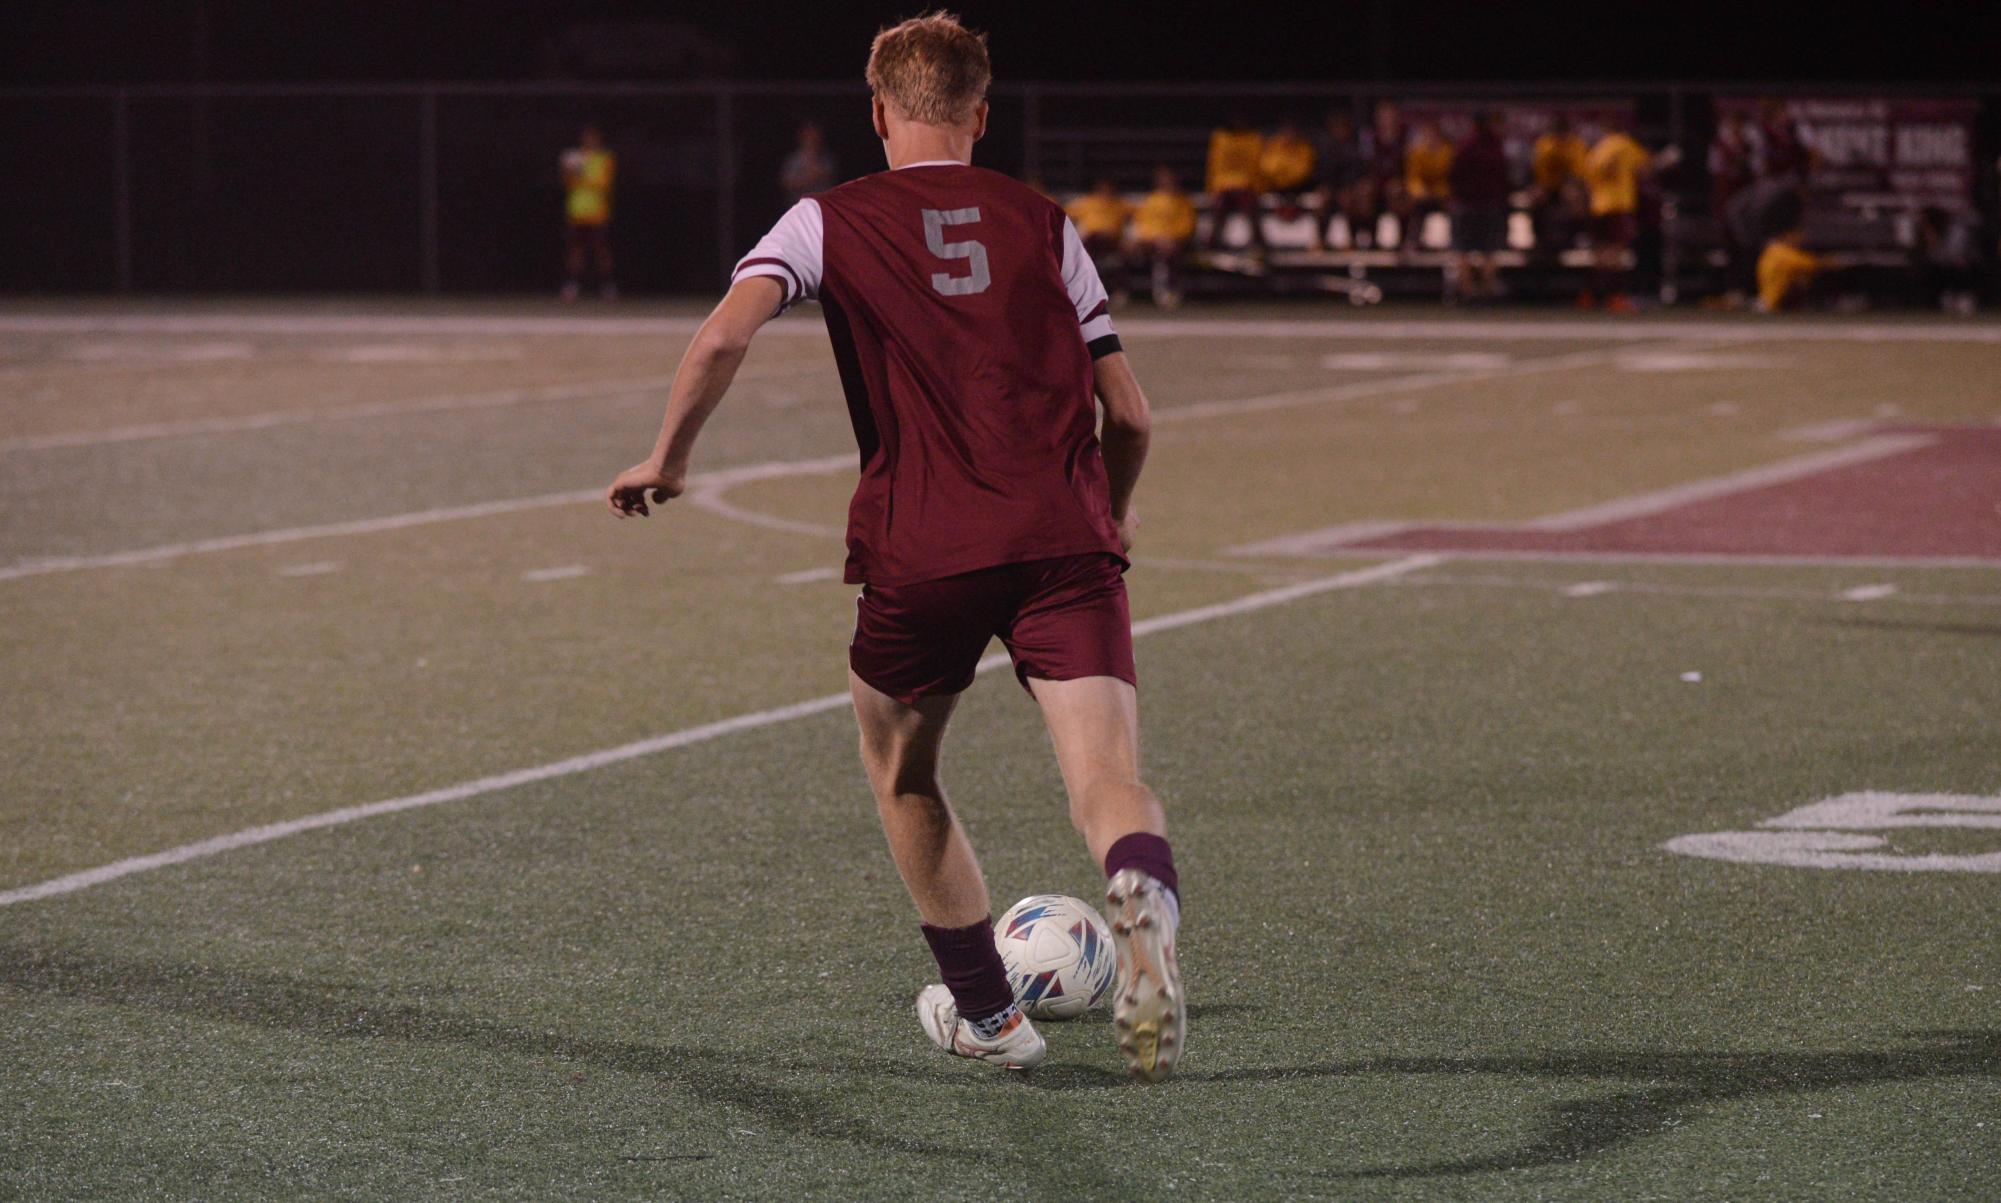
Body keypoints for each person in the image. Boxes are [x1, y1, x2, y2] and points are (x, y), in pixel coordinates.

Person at [604, 12, 1184, 1082]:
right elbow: (1133, 416)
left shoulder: (826, 219)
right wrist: (1119, 511)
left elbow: (727, 331)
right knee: (1106, 778)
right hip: (1063, 537)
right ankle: (1144, 891)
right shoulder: (1044, 220)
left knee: (902, 768)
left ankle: (987, 1017)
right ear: (981, 114)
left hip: (924, 544)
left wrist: (668, 458)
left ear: (876, 114)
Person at [1581, 114, 1652, 311]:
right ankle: (1616, 296)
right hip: (1619, 205)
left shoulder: (1598, 149)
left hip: (1598, 206)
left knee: (1600, 254)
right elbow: (1646, 167)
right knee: (1617, 254)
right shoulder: (1625, 144)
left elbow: (1587, 180)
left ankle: (1591, 295)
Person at [1449, 110, 1512, 302]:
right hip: (1489, 204)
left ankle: (1468, 292)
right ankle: (1486, 292)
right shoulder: (1495, 145)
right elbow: (1504, 175)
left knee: (1463, 249)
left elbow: (1454, 173)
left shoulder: (1466, 145)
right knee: (1489, 251)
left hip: (1467, 204)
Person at [560, 124, 617, 301]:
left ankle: (607, 285)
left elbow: (604, 183)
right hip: (577, 212)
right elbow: (567, 182)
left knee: (601, 251)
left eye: (593, 137)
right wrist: (568, 171)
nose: (590, 141)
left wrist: (581, 174)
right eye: (587, 137)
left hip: (598, 213)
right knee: (576, 251)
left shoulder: (605, 158)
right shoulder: (573, 157)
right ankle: (572, 285)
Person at [1132, 165, 1198, 306]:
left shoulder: (1183, 201)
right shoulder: (1150, 201)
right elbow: (1142, 224)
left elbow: (1187, 226)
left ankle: (1170, 290)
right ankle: (1122, 291)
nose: (1166, 181)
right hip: (1153, 242)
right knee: (1130, 248)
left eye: (1168, 178)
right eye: (1163, 178)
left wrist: (1172, 238)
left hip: (1176, 242)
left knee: (1170, 252)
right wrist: (1156, 239)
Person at [1530, 114, 1588, 261]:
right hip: (1548, 188)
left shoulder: (1576, 145)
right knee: (1535, 198)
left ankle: (1579, 238)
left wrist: (1574, 190)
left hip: (1570, 188)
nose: (1561, 136)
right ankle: (1539, 242)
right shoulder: (1545, 144)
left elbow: (1580, 174)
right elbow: (1537, 172)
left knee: (1575, 197)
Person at [1206, 114, 1266, 251]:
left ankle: (1257, 242)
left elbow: (1258, 165)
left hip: (1246, 185)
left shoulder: (1254, 138)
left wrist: (1259, 188)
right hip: (1224, 185)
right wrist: (1212, 189)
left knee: (1249, 203)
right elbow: (1214, 165)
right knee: (1219, 204)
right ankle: (1212, 242)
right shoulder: (1221, 138)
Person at [1313, 110, 1369, 249]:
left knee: (1347, 199)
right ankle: (1321, 240)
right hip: (1332, 187)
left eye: (1342, 126)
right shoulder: (1327, 146)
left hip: (1350, 188)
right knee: (1322, 200)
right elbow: (1323, 172)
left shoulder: (1355, 146)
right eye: (1336, 127)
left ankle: (1351, 240)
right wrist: (1325, 188)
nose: (1339, 130)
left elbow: (1358, 171)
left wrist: (1349, 188)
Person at [1065, 177, 1133, 292]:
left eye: (1108, 188)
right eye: (1102, 188)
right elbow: (1064, 213)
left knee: (1124, 253)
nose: (1105, 191)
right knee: (1083, 248)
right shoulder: (1087, 202)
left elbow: (1136, 218)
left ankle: (1119, 289)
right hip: (1091, 241)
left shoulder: (1120, 204)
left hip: (1114, 241)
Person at [1757, 201, 1824, 312]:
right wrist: (1837, 261)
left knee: (1802, 276)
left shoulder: (1772, 249)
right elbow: (1813, 264)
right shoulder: (1780, 252)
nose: (1801, 238)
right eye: (1798, 234)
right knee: (1803, 277)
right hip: (1773, 303)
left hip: (1767, 301)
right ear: (1788, 234)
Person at [1402, 120, 1455, 250]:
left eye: (1432, 134)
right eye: (1426, 134)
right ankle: (1412, 243)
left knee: (1455, 205)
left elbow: (1451, 178)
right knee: (1413, 204)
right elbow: (1413, 178)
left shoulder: (1448, 152)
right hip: (1423, 195)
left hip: (1442, 193)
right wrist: (1420, 192)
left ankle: (1456, 243)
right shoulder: (1417, 152)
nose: (1430, 137)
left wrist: (1440, 192)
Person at [1258, 121, 1316, 228]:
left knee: (1294, 197)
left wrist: (1283, 171)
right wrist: (1285, 171)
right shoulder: (1274, 145)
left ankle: (1293, 218)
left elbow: (1303, 170)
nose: (1289, 135)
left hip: (1297, 186)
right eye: (1286, 131)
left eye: (1292, 131)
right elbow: (1267, 167)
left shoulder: (1303, 147)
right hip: (1276, 185)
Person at [780, 121, 838, 203]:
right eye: (808, 136)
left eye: (814, 136)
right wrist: (805, 180)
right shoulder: (794, 160)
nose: (811, 139)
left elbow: (826, 176)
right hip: (798, 205)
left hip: (821, 206)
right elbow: (786, 183)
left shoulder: (826, 159)